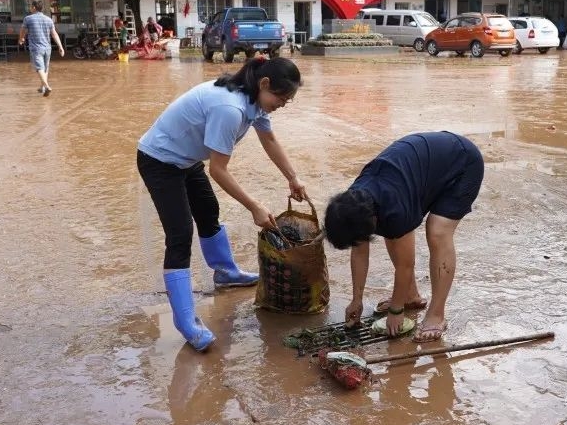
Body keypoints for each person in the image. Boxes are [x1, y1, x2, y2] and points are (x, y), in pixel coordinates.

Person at [137, 56, 307, 351]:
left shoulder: (254, 101)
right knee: (179, 235)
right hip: (160, 160)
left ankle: (225, 272)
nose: (282, 104)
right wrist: (254, 206)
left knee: (208, 213)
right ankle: (186, 321)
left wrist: (293, 178)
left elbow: (269, 140)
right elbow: (218, 170)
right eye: (281, 98)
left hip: (186, 159)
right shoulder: (230, 108)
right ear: (265, 84)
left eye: (287, 101)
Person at [324, 131, 484, 343]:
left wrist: (396, 311)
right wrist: (356, 300)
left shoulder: (394, 207)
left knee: (437, 231)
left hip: (462, 164)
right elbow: (360, 251)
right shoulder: (353, 202)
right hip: (424, 166)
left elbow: (405, 265)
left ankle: (436, 315)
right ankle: (410, 296)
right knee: (393, 232)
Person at [18, 0, 64, 96]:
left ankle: (46, 86)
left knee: (39, 68)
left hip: (36, 48)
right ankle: (42, 87)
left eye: (31, 6)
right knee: (45, 68)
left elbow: (22, 30)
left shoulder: (28, 19)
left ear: (34, 7)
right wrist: (60, 46)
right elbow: (54, 34)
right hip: (47, 48)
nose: (30, 8)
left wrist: (21, 39)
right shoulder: (48, 19)